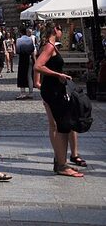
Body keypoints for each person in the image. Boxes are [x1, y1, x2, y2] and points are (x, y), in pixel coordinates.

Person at [34, 23, 84, 177]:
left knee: (61, 125)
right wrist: (58, 75)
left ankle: (60, 162)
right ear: (55, 30)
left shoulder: (50, 46)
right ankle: (62, 165)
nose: (62, 32)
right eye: (61, 29)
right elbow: (38, 66)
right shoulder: (49, 47)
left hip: (54, 89)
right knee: (61, 126)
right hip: (52, 91)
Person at [15, 27, 36, 99]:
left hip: (22, 59)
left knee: (21, 75)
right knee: (29, 76)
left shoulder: (19, 40)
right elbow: (32, 50)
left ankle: (23, 93)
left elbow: (18, 51)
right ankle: (31, 92)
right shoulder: (30, 39)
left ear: (20, 32)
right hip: (29, 58)